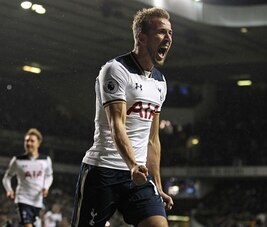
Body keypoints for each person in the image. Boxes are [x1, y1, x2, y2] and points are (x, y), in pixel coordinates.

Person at [71, 7, 173, 227]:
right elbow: (117, 125)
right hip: (103, 171)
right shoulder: (115, 70)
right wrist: (133, 165)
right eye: (162, 32)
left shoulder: (160, 82)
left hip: (139, 176)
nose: (168, 38)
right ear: (142, 37)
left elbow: (152, 140)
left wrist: (157, 185)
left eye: (170, 33)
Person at [2, 128, 54, 227]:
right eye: (27, 141)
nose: (29, 143)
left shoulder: (46, 160)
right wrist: (9, 190)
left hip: (37, 201)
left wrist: (46, 187)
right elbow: (7, 177)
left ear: (38, 143)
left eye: (32, 141)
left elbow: (49, 176)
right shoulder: (17, 160)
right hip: (23, 199)